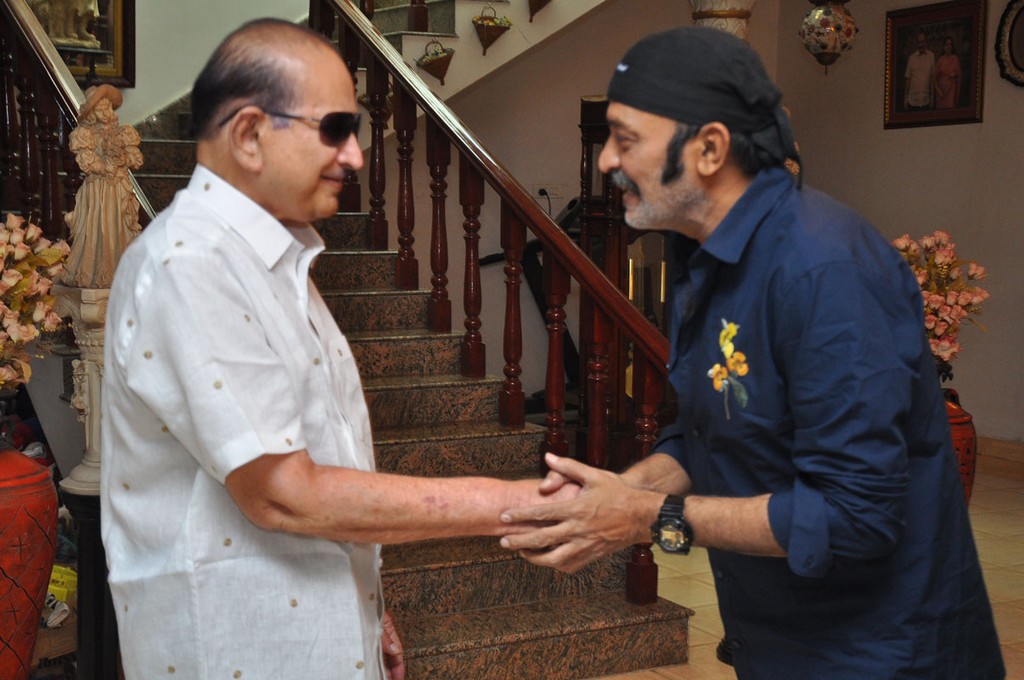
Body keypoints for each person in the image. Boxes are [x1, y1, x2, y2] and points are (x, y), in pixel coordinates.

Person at [500, 26, 1005, 679]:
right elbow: (711, 435)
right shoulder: (699, 253)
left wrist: (646, 516)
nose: (605, 162)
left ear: (710, 148)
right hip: (776, 641)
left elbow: (855, 516)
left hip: (880, 654)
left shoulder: (823, 268)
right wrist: (619, 496)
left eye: (626, 139)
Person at [99, 18, 573, 680]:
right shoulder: (191, 264)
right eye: (335, 130)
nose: (354, 156)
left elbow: (323, 458)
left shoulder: (271, 260)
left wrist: (363, 602)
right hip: (241, 649)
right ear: (250, 134)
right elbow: (284, 495)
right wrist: (526, 504)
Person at [904, 31, 935, 110]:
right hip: (912, 101)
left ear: (926, 42)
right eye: (919, 42)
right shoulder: (912, 58)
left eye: (922, 42)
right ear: (917, 44)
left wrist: (932, 97)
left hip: (926, 101)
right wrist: (905, 98)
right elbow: (908, 78)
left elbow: (932, 78)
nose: (921, 44)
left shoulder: (931, 56)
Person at [933, 36, 962, 109]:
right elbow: (933, 78)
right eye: (947, 45)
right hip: (942, 92)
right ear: (943, 46)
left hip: (951, 91)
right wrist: (939, 92)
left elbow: (959, 76)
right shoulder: (940, 60)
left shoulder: (955, 59)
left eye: (950, 44)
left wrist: (955, 75)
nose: (949, 47)